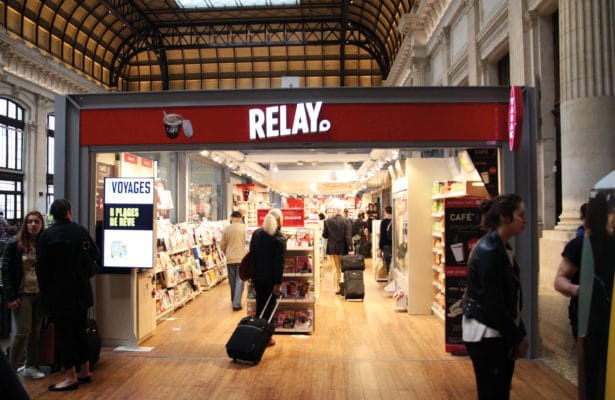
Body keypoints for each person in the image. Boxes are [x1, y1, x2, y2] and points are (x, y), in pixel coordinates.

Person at [462, 193, 528, 400]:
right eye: (520, 215)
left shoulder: (499, 247)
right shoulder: (490, 251)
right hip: (487, 334)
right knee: (493, 392)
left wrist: (518, 331)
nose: (524, 220)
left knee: (497, 390)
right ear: (504, 217)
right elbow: (493, 302)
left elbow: (506, 298)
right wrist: (516, 337)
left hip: (492, 332)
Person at [36, 199, 101, 392]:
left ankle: (70, 377)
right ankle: (85, 371)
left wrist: (46, 290)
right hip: (81, 290)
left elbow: (41, 268)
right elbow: (95, 255)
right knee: (81, 330)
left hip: (58, 294)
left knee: (64, 335)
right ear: (69, 212)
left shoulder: (47, 236)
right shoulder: (80, 231)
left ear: (52, 215)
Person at [554, 194, 614, 399]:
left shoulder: (610, 243)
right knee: (591, 371)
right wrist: (579, 291)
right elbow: (560, 280)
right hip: (588, 319)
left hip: (607, 316)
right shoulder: (580, 245)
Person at [1, 211, 46, 379]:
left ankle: (31, 365)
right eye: (30, 222)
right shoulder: (15, 244)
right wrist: (11, 296)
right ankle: (10, 370)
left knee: (35, 331)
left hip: (39, 293)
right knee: (23, 331)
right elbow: (6, 270)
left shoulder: (43, 244)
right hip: (23, 293)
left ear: (41, 224)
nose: (33, 225)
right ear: (25, 224)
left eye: (36, 222)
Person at [249, 208, 286, 347]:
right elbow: (279, 263)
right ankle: (266, 338)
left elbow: (251, 255)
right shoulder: (279, 237)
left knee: (260, 305)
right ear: (278, 220)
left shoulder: (256, 234)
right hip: (271, 279)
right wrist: (277, 283)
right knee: (269, 308)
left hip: (258, 277)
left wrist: (252, 276)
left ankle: (256, 334)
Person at [322, 201, 352, 295]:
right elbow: (348, 236)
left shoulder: (328, 221)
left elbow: (325, 235)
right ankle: (344, 286)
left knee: (336, 268)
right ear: (342, 211)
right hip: (343, 247)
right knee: (345, 267)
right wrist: (351, 248)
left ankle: (337, 287)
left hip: (333, 248)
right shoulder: (346, 221)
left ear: (335, 211)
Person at [220, 211, 247, 311]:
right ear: (240, 218)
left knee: (232, 281)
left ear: (231, 217)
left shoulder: (227, 229)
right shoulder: (244, 228)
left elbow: (222, 245)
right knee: (240, 280)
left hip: (230, 259)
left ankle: (234, 300)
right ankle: (236, 304)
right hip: (242, 258)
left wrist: (227, 253)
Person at [378, 205, 393, 274]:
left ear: (385, 212)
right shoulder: (395, 220)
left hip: (386, 245)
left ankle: (389, 278)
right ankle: (393, 278)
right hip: (394, 244)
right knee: (394, 262)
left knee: (388, 262)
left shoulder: (384, 222)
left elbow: (382, 235)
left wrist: (380, 248)